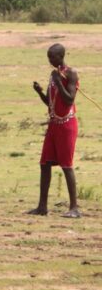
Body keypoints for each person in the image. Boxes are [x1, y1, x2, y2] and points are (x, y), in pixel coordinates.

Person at [28, 43, 81, 218]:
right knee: (45, 164)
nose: (50, 60)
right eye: (48, 57)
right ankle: (42, 206)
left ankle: (74, 208)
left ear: (61, 56)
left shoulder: (70, 73)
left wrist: (59, 81)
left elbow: (69, 100)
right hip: (53, 124)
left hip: (66, 126)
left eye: (53, 57)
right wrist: (40, 92)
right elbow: (51, 104)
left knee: (66, 165)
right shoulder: (54, 75)